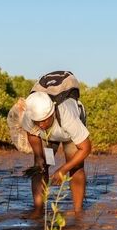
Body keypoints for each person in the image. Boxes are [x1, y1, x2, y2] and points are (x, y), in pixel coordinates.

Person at [22, 74, 91, 215]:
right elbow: (31, 133)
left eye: (44, 121)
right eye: (37, 122)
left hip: (68, 134)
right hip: (50, 136)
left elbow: (86, 148)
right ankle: (38, 209)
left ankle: (77, 211)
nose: (40, 125)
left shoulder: (67, 115)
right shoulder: (30, 114)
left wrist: (62, 170)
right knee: (40, 166)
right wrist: (39, 156)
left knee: (75, 166)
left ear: (52, 112)